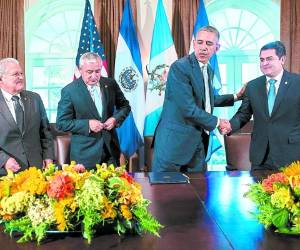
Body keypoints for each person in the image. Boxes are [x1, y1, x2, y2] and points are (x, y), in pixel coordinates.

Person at [152, 26, 244, 173]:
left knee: (198, 192)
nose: (203, 48)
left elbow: (206, 100)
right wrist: (218, 122)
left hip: (198, 144)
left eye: (209, 44)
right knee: (166, 193)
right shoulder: (180, 67)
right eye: (200, 42)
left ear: (217, 48)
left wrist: (236, 97)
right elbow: (188, 108)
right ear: (194, 43)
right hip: (173, 146)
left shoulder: (208, 69)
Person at [221, 41, 300, 170]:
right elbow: (244, 114)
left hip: (291, 155)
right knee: (258, 190)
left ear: (282, 59)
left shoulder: (297, 83)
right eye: (261, 59)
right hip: (261, 156)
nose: (264, 63)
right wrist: (230, 126)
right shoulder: (252, 86)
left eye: (269, 59)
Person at [56, 52, 131, 169]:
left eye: (97, 71)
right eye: (89, 72)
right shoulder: (70, 91)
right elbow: (62, 123)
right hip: (85, 157)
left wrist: (115, 119)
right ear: (80, 70)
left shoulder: (110, 84)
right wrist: (87, 125)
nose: (94, 76)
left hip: (110, 152)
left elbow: (125, 106)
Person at [0, 58, 54, 175]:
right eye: (15, 74)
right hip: (6, 172)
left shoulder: (35, 98)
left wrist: (48, 156)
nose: (20, 77)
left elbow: (45, 132)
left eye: (21, 73)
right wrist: (3, 160)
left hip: (36, 170)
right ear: (1, 79)